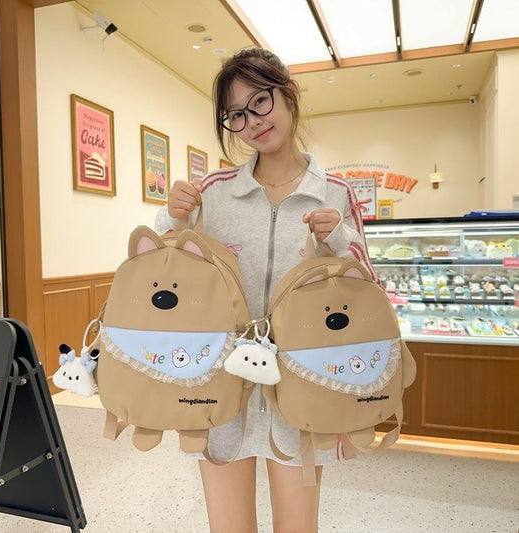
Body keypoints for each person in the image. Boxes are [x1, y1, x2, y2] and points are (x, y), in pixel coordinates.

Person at [155, 47, 377, 533]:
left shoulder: (336, 193)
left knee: (298, 526)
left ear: (289, 95)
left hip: (303, 387)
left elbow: (369, 289)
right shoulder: (213, 192)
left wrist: (338, 239)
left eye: (260, 101)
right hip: (220, 388)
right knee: (228, 527)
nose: (252, 121)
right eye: (236, 114)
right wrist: (170, 216)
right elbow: (163, 267)